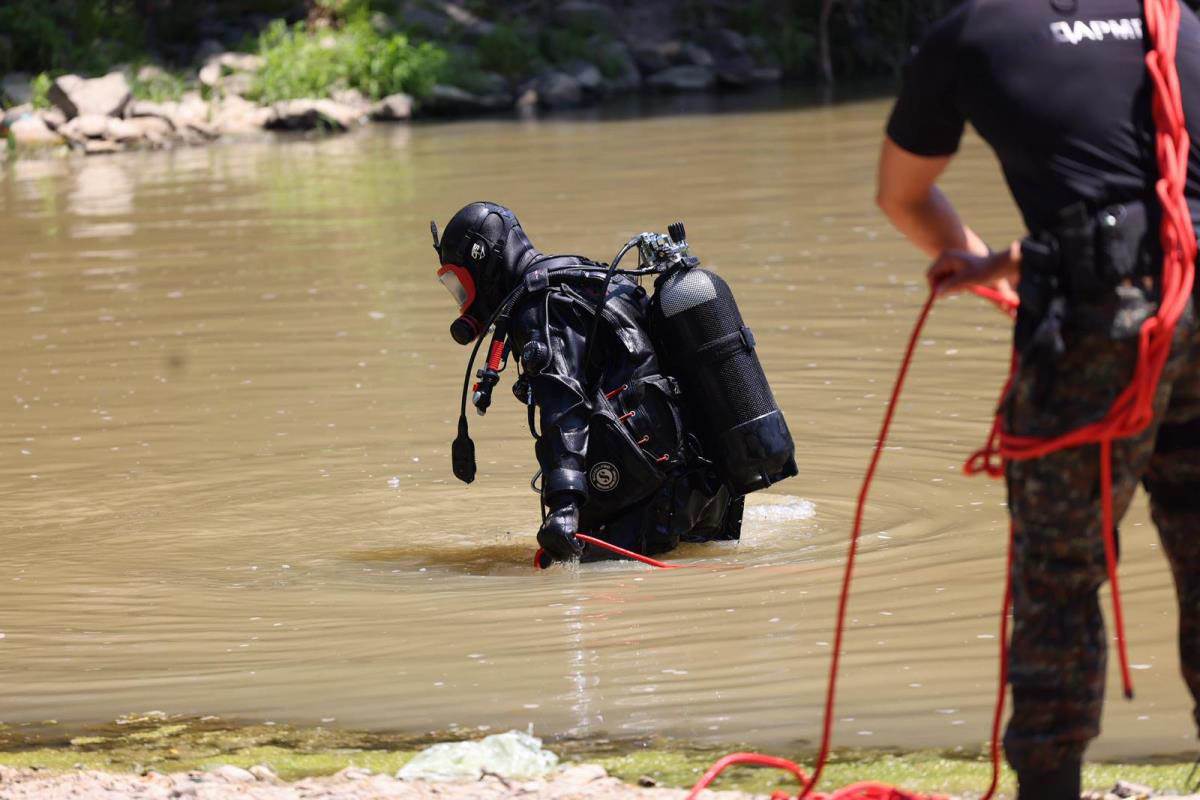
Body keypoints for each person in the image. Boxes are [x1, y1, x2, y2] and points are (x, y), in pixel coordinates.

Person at [875, 2, 1200, 799]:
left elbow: (901, 195)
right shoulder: (1179, 21)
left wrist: (991, 263)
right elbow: (1164, 208)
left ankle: (1050, 785)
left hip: (1102, 323)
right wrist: (1025, 263)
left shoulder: (973, 33)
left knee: (1060, 574)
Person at [432, 201, 760, 564]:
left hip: (653, 500)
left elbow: (564, 407)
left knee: (580, 588)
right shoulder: (586, 278)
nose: (463, 302)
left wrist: (564, 508)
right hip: (708, 485)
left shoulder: (539, 307)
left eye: (460, 284)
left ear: (483, 260)